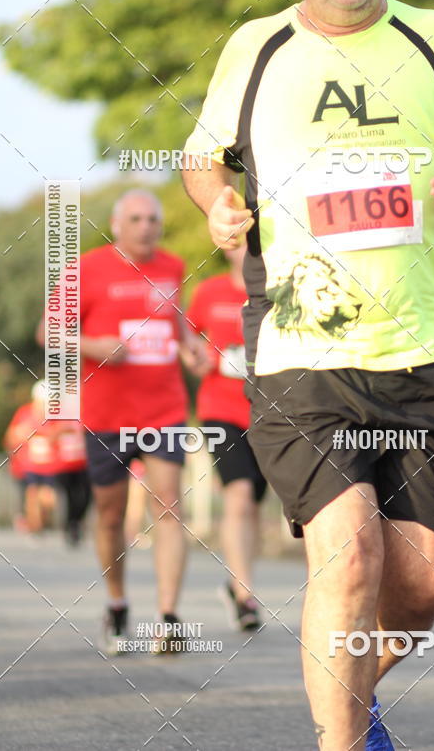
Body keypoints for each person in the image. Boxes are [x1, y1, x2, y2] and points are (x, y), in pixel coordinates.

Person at [181, 0, 434, 750]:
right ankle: (341, 739)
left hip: (423, 344)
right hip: (302, 349)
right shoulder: (255, 48)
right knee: (348, 559)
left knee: (418, 592)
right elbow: (202, 156)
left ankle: (347, 691)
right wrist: (217, 204)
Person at [38, 189, 208, 655]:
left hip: (164, 409)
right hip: (107, 415)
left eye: (153, 218)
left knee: (169, 505)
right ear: (116, 224)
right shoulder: (87, 268)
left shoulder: (172, 266)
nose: (146, 226)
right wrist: (94, 347)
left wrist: (192, 346)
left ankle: (169, 618)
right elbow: (46, 331)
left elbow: (176, 322)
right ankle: (116, 603)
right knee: (111, 515)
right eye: (136, 218)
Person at [187, 245, 266, 630]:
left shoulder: (280, 289)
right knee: (239, 495)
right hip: (220, 410)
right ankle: (245, 596)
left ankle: (236, 583)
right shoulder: (209, 292)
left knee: (254, 504)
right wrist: (196, 356)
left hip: (271, 411)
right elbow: (186, 338)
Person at [4, 381, 59, 536]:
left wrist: (49, 436)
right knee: (32, 493)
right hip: (29, 464)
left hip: (50, 465)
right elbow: (12, 436)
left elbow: (62, 433)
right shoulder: (25, 413)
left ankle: (42, 520)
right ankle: (35, 527)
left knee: (48, 498)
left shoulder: (56, 415)